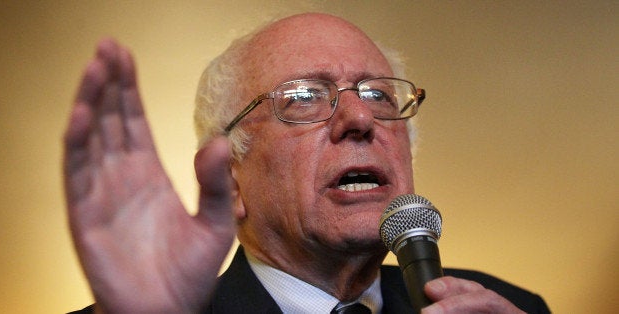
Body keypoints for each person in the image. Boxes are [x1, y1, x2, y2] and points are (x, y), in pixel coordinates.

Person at [65, 13, 550, 313]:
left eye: (379, 94)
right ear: (230, 178)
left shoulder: (505, 307)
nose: (360, 117)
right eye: (303, 98)